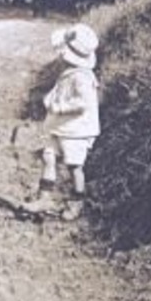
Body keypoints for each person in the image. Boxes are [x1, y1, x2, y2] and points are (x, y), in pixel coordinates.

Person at [32, 22, 102, 221]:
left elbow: (83, 103)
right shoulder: (69, 72)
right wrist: (49, 99)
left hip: (76, 128)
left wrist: (59, 107)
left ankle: (77, 201)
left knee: (74, 166)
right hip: (61, 125)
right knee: (48, 156)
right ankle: (44, 196)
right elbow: (59, 91)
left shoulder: (82, 77)